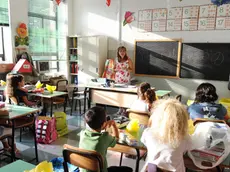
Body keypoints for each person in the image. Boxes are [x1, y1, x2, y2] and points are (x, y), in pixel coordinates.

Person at [141, 99, 192, 172]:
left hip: (151, 170)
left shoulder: (148, 133)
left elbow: (144, 141)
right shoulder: (185, 138)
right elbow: (188, 148)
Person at [79, 106, 133, 172]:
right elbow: (116, 138)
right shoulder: (104, 138)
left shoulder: (82, 134)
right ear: (104, 124)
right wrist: (113, 124)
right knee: (128, 169)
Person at [114, 46, 133, 115]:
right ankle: (120, 109)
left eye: (123, 51)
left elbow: (132, 69)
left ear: (125, 52)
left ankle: (125, 110)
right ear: (118, 52)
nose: (122, 53)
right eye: (120, 51)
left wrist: (127, 68)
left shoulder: (128, 59)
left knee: (125, 95)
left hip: (126, 79)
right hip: (118, 80)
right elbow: (113, 69)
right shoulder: (116, 59)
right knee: (119, 95)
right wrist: (117, 69)